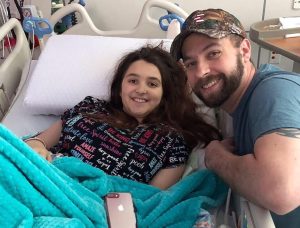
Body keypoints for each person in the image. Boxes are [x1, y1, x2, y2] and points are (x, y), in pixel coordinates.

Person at [25, 45, 221, 190]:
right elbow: (39, 141)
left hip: (92, 204)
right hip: (44, 177)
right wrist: (36, 147)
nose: (141, 90)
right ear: (120, 87)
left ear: (165, 93)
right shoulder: (89, 107)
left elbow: (150, 199)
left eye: (152, 84)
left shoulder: (172, 143)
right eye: (133, 80)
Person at [170, 8, 300, 228]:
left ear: (245, 50)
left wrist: (216, 158)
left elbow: (281, 192)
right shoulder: (234, 108)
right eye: (191, 63)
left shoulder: (273, 92)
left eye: (213, 53)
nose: (201, 71)